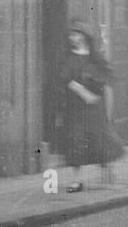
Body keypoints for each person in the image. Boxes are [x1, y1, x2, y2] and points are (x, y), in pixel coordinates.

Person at [52, 24, 124, 192]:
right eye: (71, 35)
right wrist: (81, 90)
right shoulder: (67, 57)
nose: (72, 39)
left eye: (75, 35)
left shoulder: (95, 58)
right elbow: (63, 78)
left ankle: (108, 167)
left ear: (83, 36)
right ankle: (77, 181)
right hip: (75, 108)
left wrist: (99, 94)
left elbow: (107, 78)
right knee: (75, 140)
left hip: (94, 108)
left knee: (99, 138)